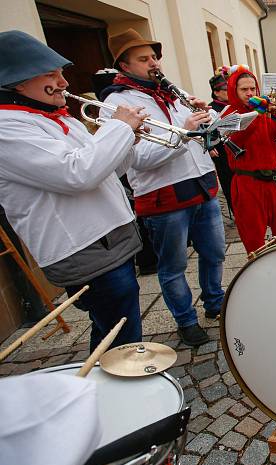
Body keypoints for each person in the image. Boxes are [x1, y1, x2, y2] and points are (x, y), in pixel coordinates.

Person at [0, 30, 148, 352]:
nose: (64, 83)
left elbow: (109, 172)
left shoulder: (53, 118)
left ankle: (119, 386)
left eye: (62, 73)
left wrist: (126, 141)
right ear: (17, 82)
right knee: (118, 333)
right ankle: (116, 392)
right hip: (82, 246)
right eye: (51, 75)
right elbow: (77, 174)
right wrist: (119, 128)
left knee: (120, 323)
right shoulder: (7, 127)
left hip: (110, 236)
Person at [101, 28, 225, 346]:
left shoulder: (171, 91)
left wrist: (207, 115)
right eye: (143, 59)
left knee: (214, 254)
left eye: (154, 57)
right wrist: (183, 132)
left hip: (201, 185)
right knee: (173, 266)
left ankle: (215, 302)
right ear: (123, 65)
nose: (154, 63)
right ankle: (186, 320)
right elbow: (137, 159)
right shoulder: (118, 104)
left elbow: (203, 132)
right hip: (164, 196)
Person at [221, 65, 276, 253]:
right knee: (254, 240)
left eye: (253, 89)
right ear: (234, 91)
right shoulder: (228, 114)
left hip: (273, 182)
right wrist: (258, 114)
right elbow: (238, 138)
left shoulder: (264, 110)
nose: (249, 93)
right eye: (244, 89)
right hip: (247, 184)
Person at [208, 66, 235, 220]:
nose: (229, 91)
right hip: (222, 150)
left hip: (234, 147)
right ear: (216, 92)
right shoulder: (212, 109)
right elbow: (210, 132)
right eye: (225, 89)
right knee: (228, 180)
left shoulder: (231, 105)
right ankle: (236, 210)